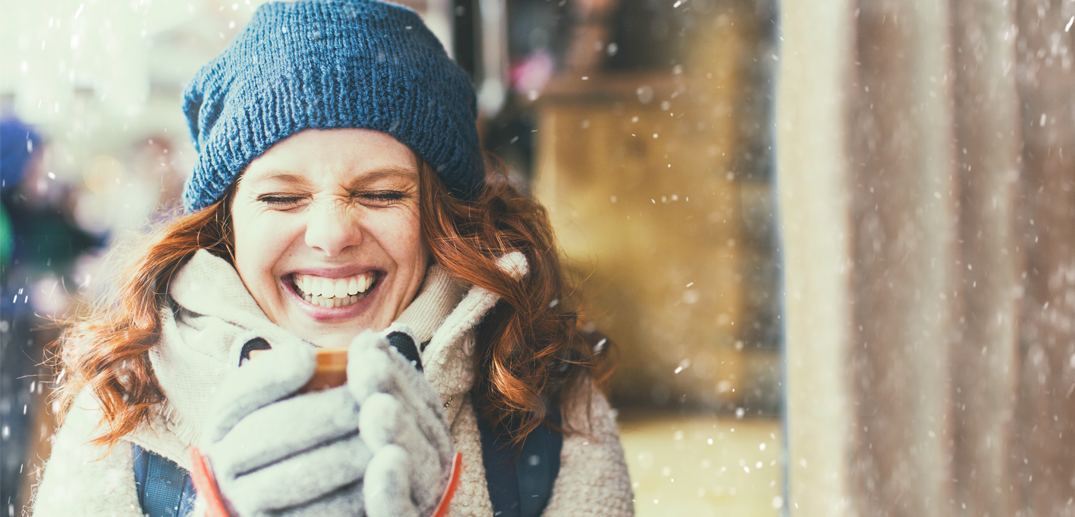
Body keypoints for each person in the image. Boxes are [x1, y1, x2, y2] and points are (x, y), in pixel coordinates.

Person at [28, 1, 634, 516]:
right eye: (282, 197)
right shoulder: (125, 408)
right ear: (225, 225)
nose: (331, 233)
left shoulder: (546, 403)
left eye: (380, 193)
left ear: (447, 218)